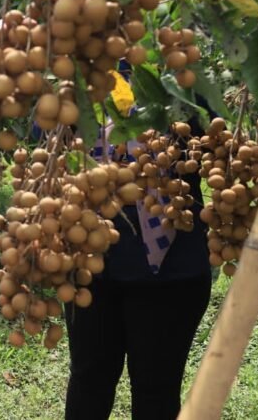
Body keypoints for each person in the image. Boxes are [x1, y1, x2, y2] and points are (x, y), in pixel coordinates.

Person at [64, 98, 211, 420]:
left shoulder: (182, 82)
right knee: (89, 382)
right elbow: (45, 135)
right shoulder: (77, 74)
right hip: (90, 263)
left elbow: (215, 145)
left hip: (172, 270)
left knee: (156, 391)